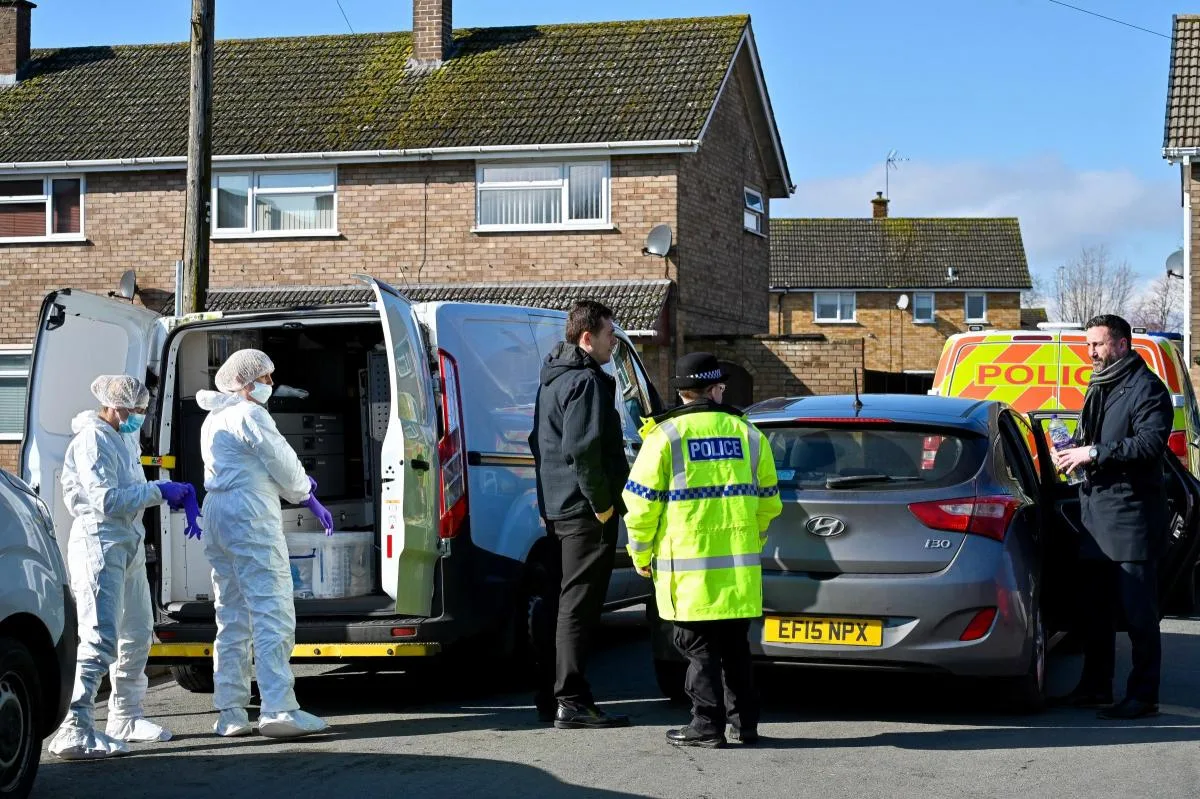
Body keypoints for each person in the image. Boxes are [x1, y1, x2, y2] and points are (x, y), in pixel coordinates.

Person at [623, 353, 782, 748]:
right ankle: (745, 724)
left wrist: (640, 554)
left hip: (688, 573)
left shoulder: (665, 437)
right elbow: (769, 502)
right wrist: (752, 542)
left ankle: (706, 726)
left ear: (682, 392)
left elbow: (640, 505)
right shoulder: (749, 434)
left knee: (699, 650)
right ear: (716, 389)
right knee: (736, 648)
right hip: (739, 571)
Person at [49, 375, 200, 760]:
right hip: (99, 542)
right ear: (116, 407)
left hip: (126, 540)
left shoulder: (121, 438)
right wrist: (158, 491)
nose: (141, 416)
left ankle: (126, 716)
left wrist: (162, 493)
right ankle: (74, 728)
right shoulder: (92, 440)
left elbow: (128, 493)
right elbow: (107, 500)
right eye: (137, 410)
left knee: (137, 631)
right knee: (99, 636)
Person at [197, 349, 335, 739]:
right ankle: (278, 708)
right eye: (265, 377)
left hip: (218, 513)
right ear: (244, 382)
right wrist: (306, 493)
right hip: (248, 515)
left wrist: (297, 487)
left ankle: (231, 712)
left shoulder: (214, 417)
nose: (270, 384)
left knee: (232, 615)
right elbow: (282, 460)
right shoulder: (250, 414)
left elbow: (251, 463)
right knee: (271, 609)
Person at [1051, 314, 1173, 720]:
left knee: (1139, 616)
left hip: (1131, 518)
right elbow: (1098, 438)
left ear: (1122, 344)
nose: (1090, 352)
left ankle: (1144, 695)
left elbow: (1149, 445)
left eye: (1098, 345)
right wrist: (1072, 450)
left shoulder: (1146, 388)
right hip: (1096, 517)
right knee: (1095, 613)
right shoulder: (1101, 384)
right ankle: (1095, 687)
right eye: (1088, 345)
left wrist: (1094, 453)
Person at [529, 300, 632, 729]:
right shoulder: (586, 381)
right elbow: (583, 451)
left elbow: (538, 443)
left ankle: (551, 697)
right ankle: (571, 701)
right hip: (585, 511)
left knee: (560, 603)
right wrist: (603, 504)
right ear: (587, 337)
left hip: (560, 508)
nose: (614, 343)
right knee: (578, 607)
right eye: (610, 334)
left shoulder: (553, 378)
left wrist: (549, 502)